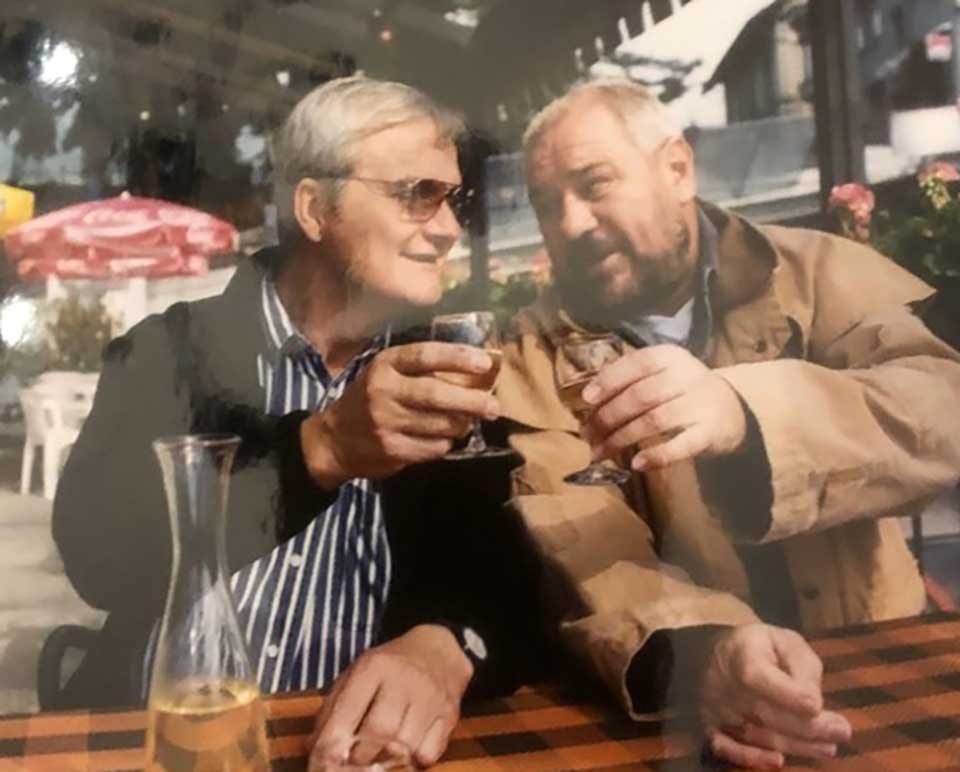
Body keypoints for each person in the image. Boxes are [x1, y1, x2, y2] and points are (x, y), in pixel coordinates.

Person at [52, 76, 542, 768]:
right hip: (165, 743)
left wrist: (449, 643)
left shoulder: (439, 367)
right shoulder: (174, 349)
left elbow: (512, 581)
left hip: (343, 750)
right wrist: (324, 446)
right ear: (314, 209)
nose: (449, 228)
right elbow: (95, 555)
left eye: (452, 198)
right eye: (417, 195)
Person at [496, 78, 960, 769]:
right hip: (696, 711)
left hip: (875, 661)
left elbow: (942, 407)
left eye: (594, 184)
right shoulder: (529, 356)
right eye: (545, 205)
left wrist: (743, 411)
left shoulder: (816, 271)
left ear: (677, 169)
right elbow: (576, 533)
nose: (570, 224)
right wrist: (707, 648)